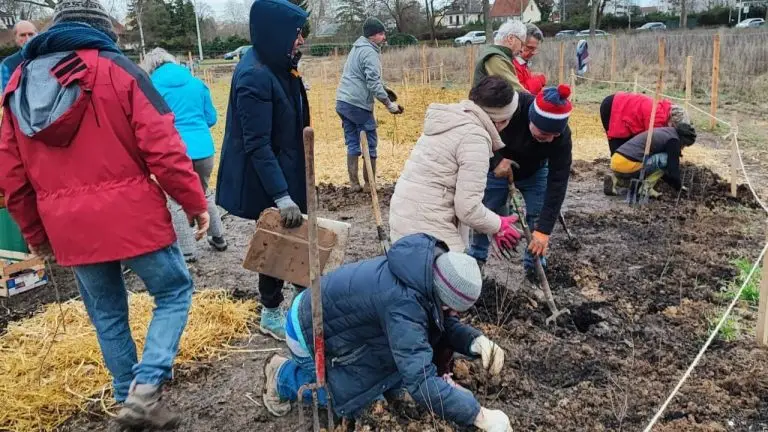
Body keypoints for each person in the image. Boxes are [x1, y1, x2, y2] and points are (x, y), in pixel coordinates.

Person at [0, 0, 210, 428]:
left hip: (69, 227)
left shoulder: (18, 83)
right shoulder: (119, 69)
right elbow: (164, 148)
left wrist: (37, 235)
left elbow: (11, 173)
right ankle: (146, 387)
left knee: (108, 315)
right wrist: (194, 202)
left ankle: (127, 400)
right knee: (173, 292)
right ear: (102, 32)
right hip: (132, 216)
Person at [262, 233, 513, 432]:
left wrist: (473, 341)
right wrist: (478, 415)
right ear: (444, 297)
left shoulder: (423, 271)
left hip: (344, 329)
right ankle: (281, 375)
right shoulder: (403, 304)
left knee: (393, 381)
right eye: (452, 309)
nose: (451, 314)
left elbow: (439, 320)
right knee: (354, 398)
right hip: (308, 331)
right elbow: (421, 382)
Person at [216, 0, 310, 341]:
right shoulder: (254, 76)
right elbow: (257, 144)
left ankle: (305, 303)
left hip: (286, 168)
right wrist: (282, 196)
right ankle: (271, 312)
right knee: (277, 236)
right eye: (296, 34)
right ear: (277, 33)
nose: (301, 40)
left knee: (294, 238)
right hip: (266, 179)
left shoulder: (278, 65)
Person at [389, 76, 522, 255]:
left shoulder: (449, 120)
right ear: (501, 120)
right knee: (455, 280)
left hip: (404, 216)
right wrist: (499, 225)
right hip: (429, 230)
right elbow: (468, 208)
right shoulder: (475, 138)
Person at [468, 85, 573, 280]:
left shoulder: (562, 138)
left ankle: (534, 268)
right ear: (531, 119)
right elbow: (479, 132)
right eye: (543, 134)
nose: (550, 140)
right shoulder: (511, 109)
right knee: (483, 212)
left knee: (537, 215)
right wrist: (496, 160)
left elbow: (558, 182)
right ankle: (476, 260)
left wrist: (544, 231)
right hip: (499, 173)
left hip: (536, 172)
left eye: (554, 136)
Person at [141, 47, 228, 260]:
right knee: (203, 192)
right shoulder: (197, 83)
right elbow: (211, 118)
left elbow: (150, 123)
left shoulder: (152, 88)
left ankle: (188, 251)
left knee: (176, 200)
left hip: (175, 151)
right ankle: (219, 238)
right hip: (204, 150)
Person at [336, 17, 404, 192]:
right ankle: (369, 184)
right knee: (370, 141)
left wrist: (384, 88)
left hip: (343, 102)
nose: (384, 37)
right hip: (357, 104)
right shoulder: (370, 52)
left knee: (352, 142)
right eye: (381, 34)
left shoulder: (357, 48)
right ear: (372, 36)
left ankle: (354, 184)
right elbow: (372, 83)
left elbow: (363, 78)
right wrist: (390, 105)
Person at [604, 124, 697, 197]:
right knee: (665, 159)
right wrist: (678, 186)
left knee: (651, 164)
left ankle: (616, 179)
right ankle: (646, 188)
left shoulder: (665, 132)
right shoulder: (674, 140)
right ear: (684, 140)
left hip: (616, 161)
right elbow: (672, 168)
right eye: (685, 145)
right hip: (629, 164)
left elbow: (661, 171)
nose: (683, 148)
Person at [600, 91, 690, 155]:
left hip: (621, 105)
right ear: (672, 123)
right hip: (614, 106)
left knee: (627, 149)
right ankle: (618, 175)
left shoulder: (664, 110)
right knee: (620, 151)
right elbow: (651, 144)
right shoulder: (657, 119)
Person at [472, 19, 527, 89]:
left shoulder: (497, 54)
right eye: (522, 44)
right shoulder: (495, 58)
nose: (522, 50)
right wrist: (536, 100)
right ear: (511, 39)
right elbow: (515, 90)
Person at [0, 20, 37, 92]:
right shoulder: (8, 64)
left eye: (31, 34)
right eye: (22, 35)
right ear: (16, 39)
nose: (28, 39)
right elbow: (6, 96)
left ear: (37, 35)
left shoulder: (50, 57)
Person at [512, 23, 547, 95]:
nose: (533, 52)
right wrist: (538, 80)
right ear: (519, 42)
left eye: (535, 49)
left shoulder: (522, 62)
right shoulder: (512, 63)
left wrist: (532, 76)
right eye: (530, 48)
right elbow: (521, 92)